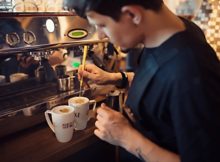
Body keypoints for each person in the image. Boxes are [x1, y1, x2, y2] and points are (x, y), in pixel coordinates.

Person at [64, 0, 220, 162]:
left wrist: (126, 138)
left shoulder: (190, 70)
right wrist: (115, 78)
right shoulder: (169, 33)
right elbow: (163, 86)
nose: (101, 35)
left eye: (102, 25)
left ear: (133, 14)